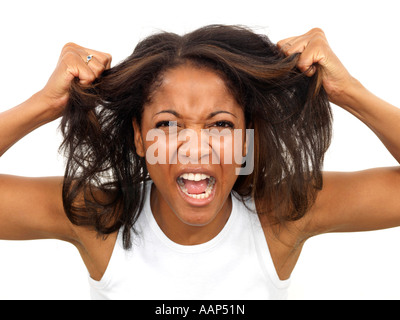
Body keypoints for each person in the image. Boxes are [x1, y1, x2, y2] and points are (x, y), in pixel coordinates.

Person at [0, 25, 399, 300]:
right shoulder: (99, 218)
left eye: (220, 124)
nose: (195, 148)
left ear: (245, 139)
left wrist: (347, 91)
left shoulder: (280, 216)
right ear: (140, 137)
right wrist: (44, 104)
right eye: (168, 125)